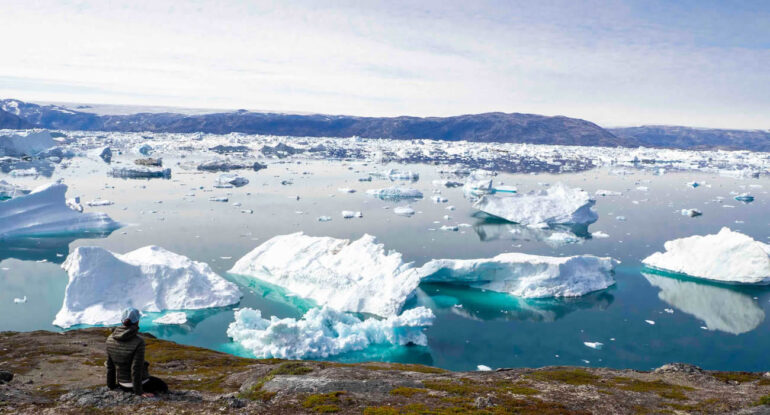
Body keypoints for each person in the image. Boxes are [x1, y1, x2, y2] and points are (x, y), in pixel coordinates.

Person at [106, 308, 168, 397]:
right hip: (137, 384)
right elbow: (136, 368)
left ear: (122, 320)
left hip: (122, 384)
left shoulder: (110, 338)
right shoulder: (139, 341)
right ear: (137, 321)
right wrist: (139, 392)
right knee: (162, 386)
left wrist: (111, 386)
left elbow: (110, 366)